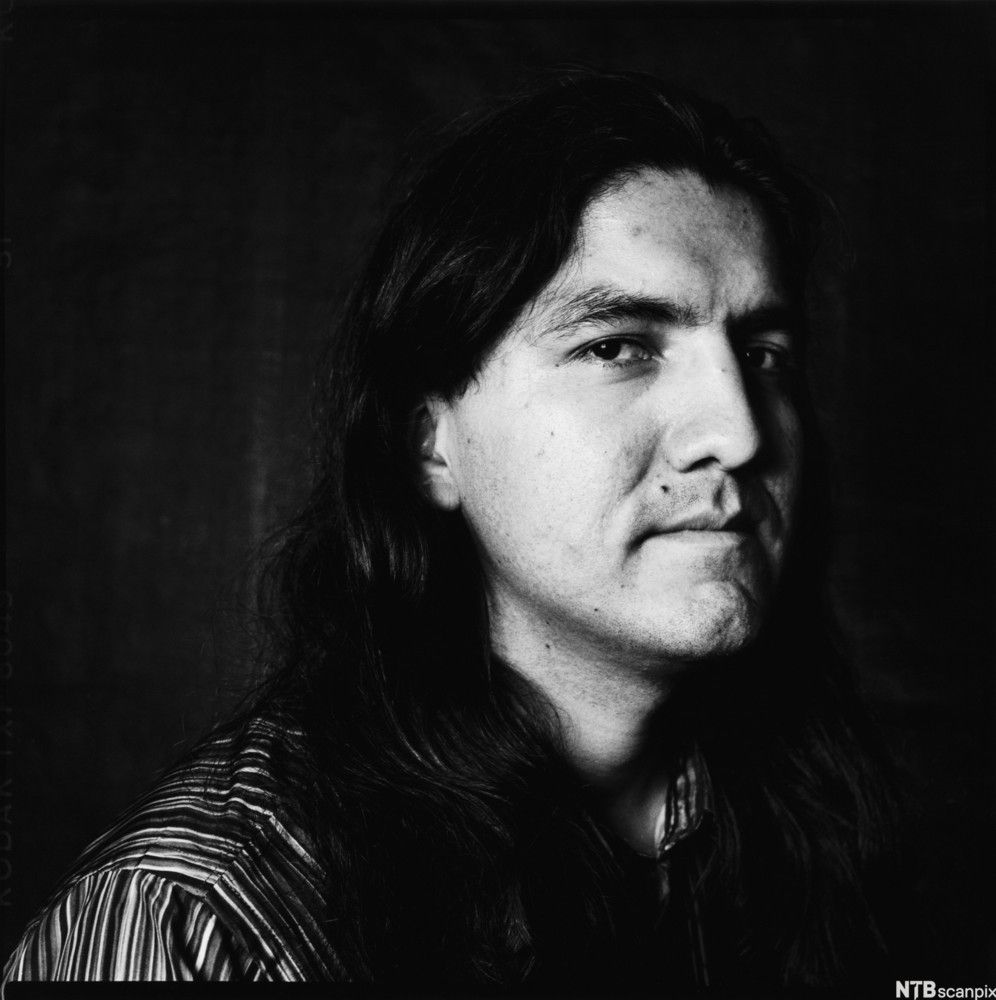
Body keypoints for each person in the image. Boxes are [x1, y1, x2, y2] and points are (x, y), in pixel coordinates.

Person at [3, 69, 903, 989]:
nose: (740, 434)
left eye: (764, 355)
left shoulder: (822, 822)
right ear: (431, 445)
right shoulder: (199, 926)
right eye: (617, 347)